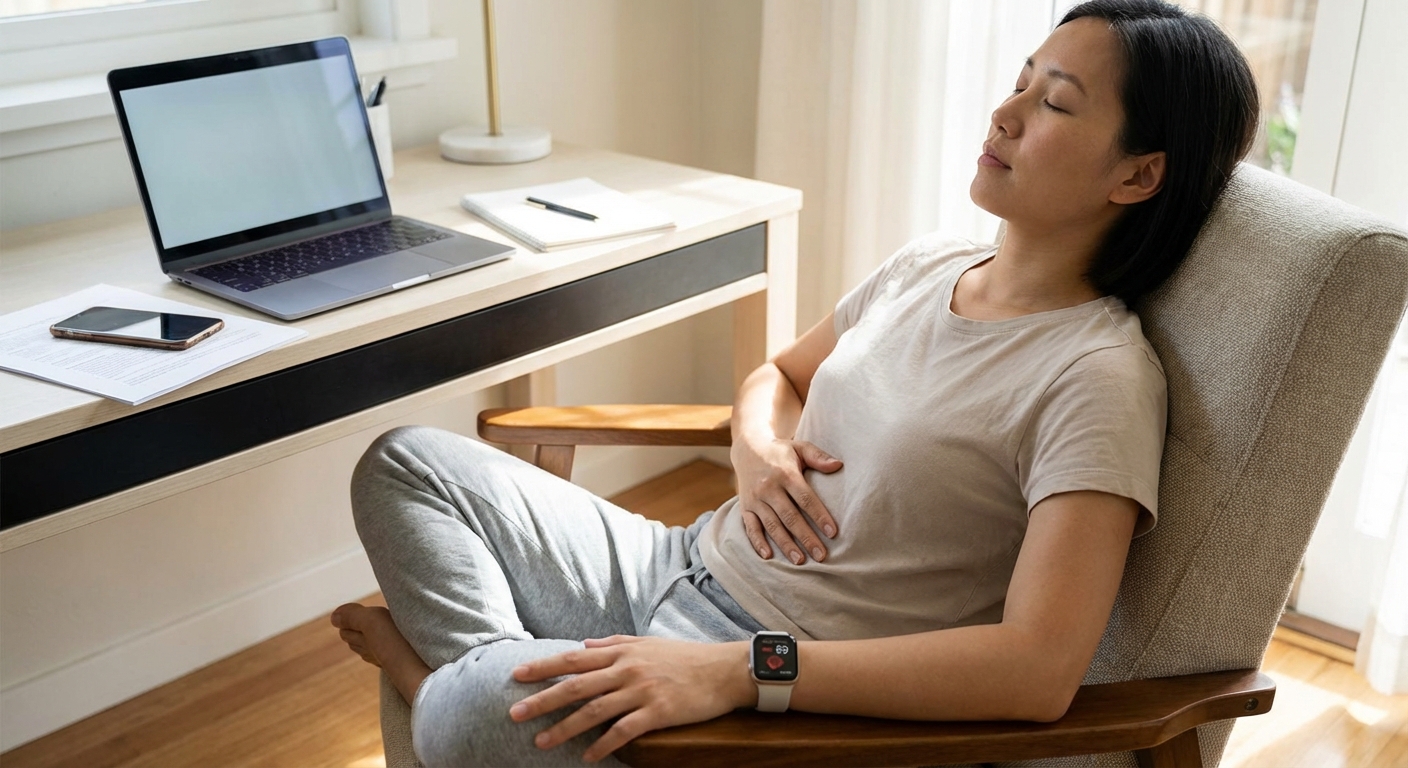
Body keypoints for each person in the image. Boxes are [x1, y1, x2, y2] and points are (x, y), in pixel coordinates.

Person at [331, 1, 1260, 765]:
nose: (1005, 115)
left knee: (464, 715)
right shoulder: (930, 264)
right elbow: (777, 373)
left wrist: (739, 673)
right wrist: (758, 444)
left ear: (1139, 174)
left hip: (780, 682)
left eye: (1055, 104)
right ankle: (512, 684)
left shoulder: (1097, 379)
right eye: (1018, 81)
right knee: (405, 463)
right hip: (679, 562)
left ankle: (448, 685)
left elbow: (1037, 669)